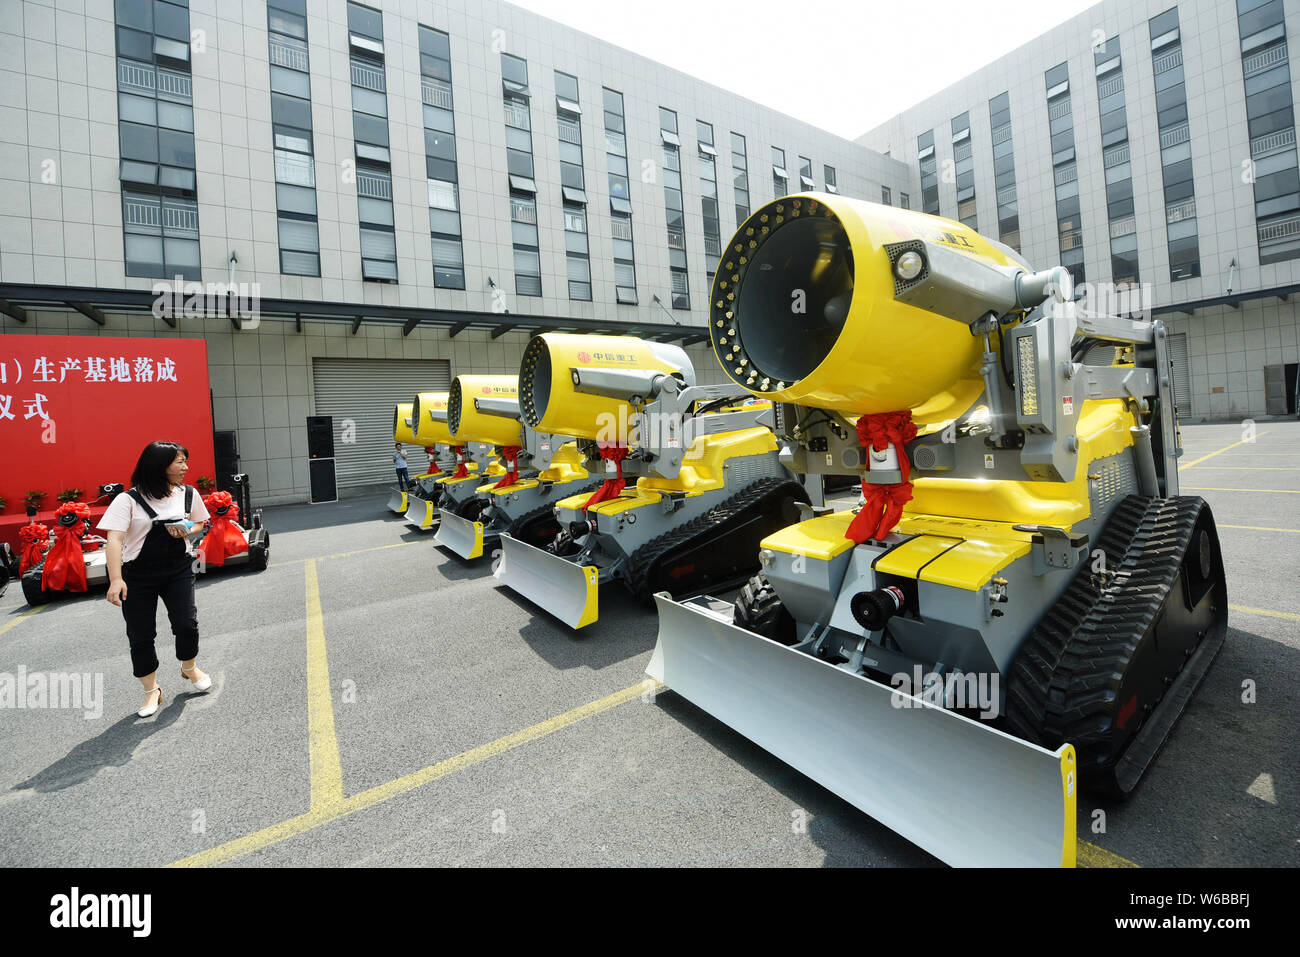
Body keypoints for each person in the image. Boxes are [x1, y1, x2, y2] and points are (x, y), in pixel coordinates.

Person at [98, 441, 212, 718]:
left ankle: (189, 668)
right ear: (159, 466)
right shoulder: (127, 500)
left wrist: (187, 528)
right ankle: (152, 692)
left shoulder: (188, 493)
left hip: (178, 569)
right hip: (137, 575)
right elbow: (114, 540)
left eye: (186, 461)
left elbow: (200, 522)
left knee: (186, 624)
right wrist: (116, 580)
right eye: (180, 462)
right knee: (140, 634)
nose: (186, 467)